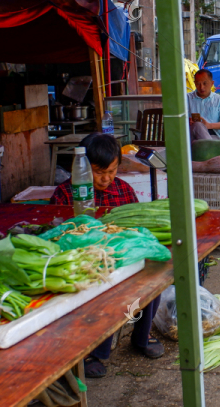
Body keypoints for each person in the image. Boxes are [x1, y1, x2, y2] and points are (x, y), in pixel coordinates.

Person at [50, 133, 165, 378]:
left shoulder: (124, 191)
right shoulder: (65, 194)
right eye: (98, 172)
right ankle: (98, 350)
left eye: (111, 171)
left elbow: (137, 231)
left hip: (123, 256)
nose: (106, 178)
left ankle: (142, 335)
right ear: (81, 167)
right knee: (104, 288)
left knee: (153, 274)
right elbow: (57, 231)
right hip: (85, 261)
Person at [188, 69, 220, 140]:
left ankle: (208, 147)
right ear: (194, 83)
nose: (201, 87)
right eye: (198, 83)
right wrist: (187, 121)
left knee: (199, 143)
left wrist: (209, 125)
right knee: (197, 124)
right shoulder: (187, 99)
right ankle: (210, 147)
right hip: (192, 137)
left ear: (212, 83)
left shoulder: (218, 99)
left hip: (213, 136)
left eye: (205, 83)